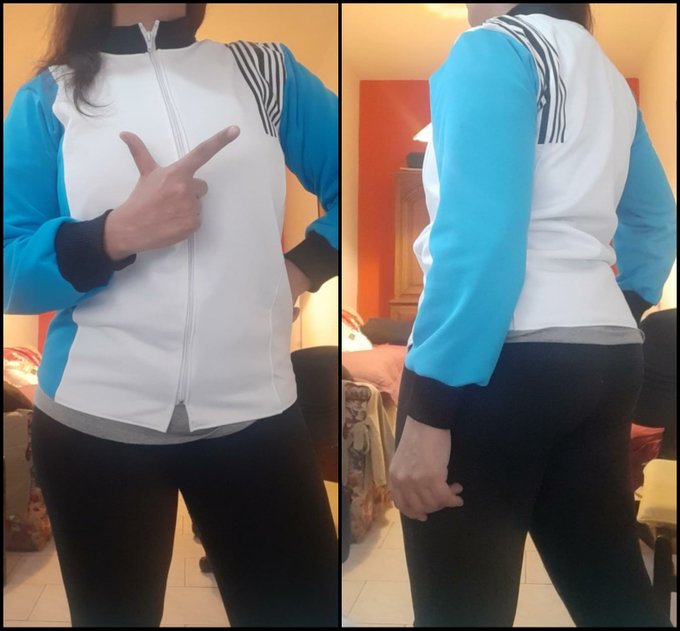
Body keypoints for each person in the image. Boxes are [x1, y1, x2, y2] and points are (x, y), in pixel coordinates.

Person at [3, 3, 338, 627]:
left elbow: (354, 178)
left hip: (256, 416)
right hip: (92, 425)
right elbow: (8, 265)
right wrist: (111, 236)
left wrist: (302, 269)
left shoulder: (267, 73)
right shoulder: (49, 98)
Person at [388, 3, 675, 627]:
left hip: (498, 366)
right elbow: (657, 221)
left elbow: (480, 234)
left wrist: (430, 409)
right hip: (608, 355)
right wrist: (613, 306)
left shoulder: (491, 46)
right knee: (611, 589)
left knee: (461, 612)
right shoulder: (609, 80)